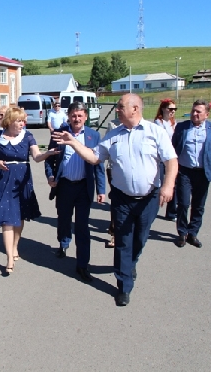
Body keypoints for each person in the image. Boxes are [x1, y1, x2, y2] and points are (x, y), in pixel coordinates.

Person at [51, 93, 178, 306]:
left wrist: (168, 185)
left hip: (149, 198)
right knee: (123, 241)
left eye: (120, 106)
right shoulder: (113, 135)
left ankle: (130, 264)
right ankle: (124, 285)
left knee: (140, 239)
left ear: (135, 109)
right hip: (121, 199)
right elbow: (94, 157)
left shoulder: (155, 132)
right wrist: (73, 142)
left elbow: (171, 160)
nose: (117, 109)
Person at [0, 107, 59, 275]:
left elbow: (36, 157)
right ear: (10, 121)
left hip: (22, 180)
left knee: (19, 216)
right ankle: (9, 257)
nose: (22, 124)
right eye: (19, 121)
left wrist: (48, 153)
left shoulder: (28, 136)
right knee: (6, 219)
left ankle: (15, 245)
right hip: (3, 180)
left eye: (23, 121)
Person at [45, 102, 106, 282]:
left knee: (82, 226)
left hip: (83, 188)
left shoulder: (94, 135)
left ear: (85, 117)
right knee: (63, 218)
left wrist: (101, 189)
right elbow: (49, 158)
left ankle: (82, 264)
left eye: (80, 115)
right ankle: (63, 243)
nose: (76, 119)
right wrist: (50, 175)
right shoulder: (59, 133)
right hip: (64, 185)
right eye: (73, 115)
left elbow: (98, 164)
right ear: (68, 117)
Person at [171, 100, 211, 249]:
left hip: (203, 173)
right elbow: (172, 149)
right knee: (183, 204)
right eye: (193, 111)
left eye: (198, 112)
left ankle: (192, 233)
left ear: (207, 115)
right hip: (184, 171)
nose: (194, 114)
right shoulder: (182, 127)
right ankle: (182, 233)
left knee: (199, 205)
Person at [154, 99, 179, 221]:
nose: (173, 111)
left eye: (175, 109)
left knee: (173, 183)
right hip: (160, 159)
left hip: (171, 157)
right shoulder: (158, 123)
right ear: (163, 109)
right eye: (170, 109)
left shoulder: (174, 123)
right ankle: (153, 209)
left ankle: (171, 212)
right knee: (158, 184)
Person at [104, 115, 121, 248]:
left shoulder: (142, 127)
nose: (118, 110)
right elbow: (105, 147)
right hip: (113, 168)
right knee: (117, 200)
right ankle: (115, 233)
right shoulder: (113, 125)